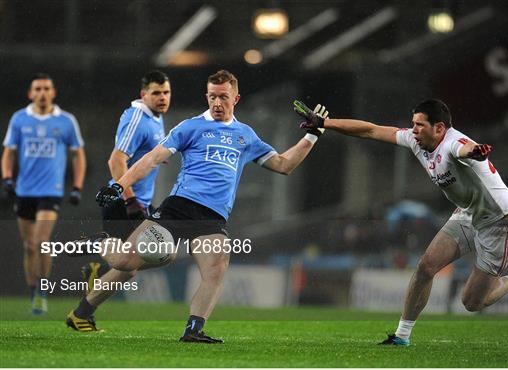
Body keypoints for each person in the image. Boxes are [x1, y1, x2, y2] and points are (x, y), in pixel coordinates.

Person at [66, 70, 327, 343]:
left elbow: (284, 165)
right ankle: (100, 244)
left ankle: (193, 330)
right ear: (207, 96)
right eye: (212, 96)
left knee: (217, 267)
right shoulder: (190, 127)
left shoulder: (245, 136)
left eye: (223, 97)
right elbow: (152, 158)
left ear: (235, 98)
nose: (217, 103)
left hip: (212, 218)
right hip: (178, 209)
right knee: (125, 262)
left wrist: (312, 135)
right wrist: (120, 185)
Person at [294, 99, 508, 346]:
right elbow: (371, 130)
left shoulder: (454, 143)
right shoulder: (415, 140)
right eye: (413, 124)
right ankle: (402, 336)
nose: (414, 130)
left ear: (439, 128)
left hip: (502, 223)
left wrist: (474, 152)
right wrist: (325, 123)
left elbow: (465, 148)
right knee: (425, 266)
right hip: (468, 213)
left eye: (420, 125)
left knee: (471, 302)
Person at [1, 73, 86, 315]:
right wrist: (7, 178)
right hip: (25, 191)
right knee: (29, 246)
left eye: (46, 88)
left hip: (51, 191)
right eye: (37, 89)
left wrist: (77, 186)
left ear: (53, 92)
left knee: (41, 242)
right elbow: (8, 151)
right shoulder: (19, 119)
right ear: (30, 93)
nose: (42, 93)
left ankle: (42, 290)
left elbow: (78, 154)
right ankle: (33, 292)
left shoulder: (66, 121)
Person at [83, 70, 170, 291]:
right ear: (144, 94)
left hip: (139, 201)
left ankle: (85, 305)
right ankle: (97, 244)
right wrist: (130, 201)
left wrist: (155, 158)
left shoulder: (155, 117)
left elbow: (144, 152)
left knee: (131, 265)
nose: (163, 98)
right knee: (146, 257)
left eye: (166, 92)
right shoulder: (138, 119)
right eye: (156, 93)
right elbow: (115, 161)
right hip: (123, 202)